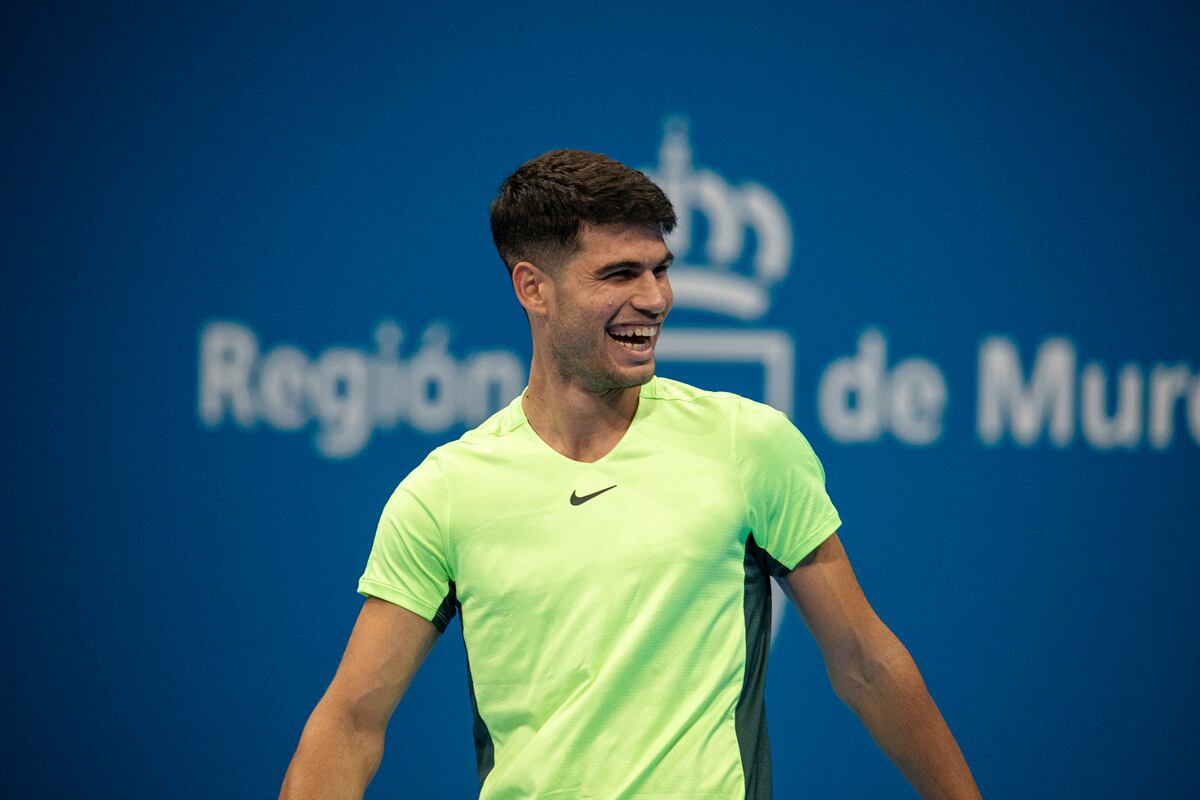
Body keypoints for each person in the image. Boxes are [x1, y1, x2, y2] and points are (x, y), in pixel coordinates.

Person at [280, 150, 981, 799]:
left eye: (661, 269)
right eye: (619, 274)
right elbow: (350, 721)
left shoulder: (749, 446)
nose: (655, 298)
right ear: (534, 288)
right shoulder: (445, 492)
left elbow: (865, 662)